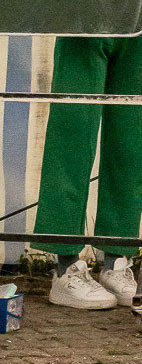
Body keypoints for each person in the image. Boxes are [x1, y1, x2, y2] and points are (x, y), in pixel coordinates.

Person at [33, 36, 142, 310]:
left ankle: (116, 261)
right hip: (85, 19)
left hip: (137, 19)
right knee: (72, 136)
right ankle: (65, 267)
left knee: (132, 142)